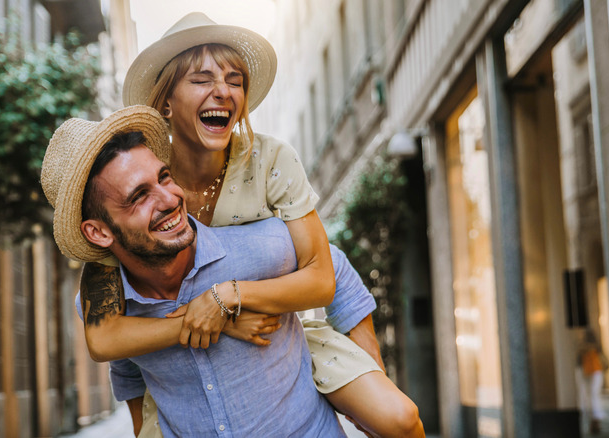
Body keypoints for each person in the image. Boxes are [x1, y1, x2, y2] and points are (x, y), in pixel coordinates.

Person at [81, 12, 424, 438]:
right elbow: (108, 338)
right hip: (187, 372)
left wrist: (230, 297)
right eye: (202, 79)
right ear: (166, 101)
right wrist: (221, 318)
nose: (223, 91)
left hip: (282, 330)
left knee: (398, 419)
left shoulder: (270, 161)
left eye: (235, 79)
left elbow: (325, 268)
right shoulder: (146, 178)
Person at [40, 104, 379, 436]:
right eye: (139, 196)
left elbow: (331, 267)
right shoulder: (106, 306)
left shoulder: (256, 246)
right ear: (98, 232)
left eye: (164, 177)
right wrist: (215, 319)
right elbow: (127, 368)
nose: (170, 199)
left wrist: (374, 390)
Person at [576, 329, 609, 435]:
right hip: (594, 371)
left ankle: (594, 418)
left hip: (591, 371)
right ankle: (595, 417)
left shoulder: (584, 347)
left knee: (590, 395)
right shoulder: (595, 346)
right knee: (593, 395)